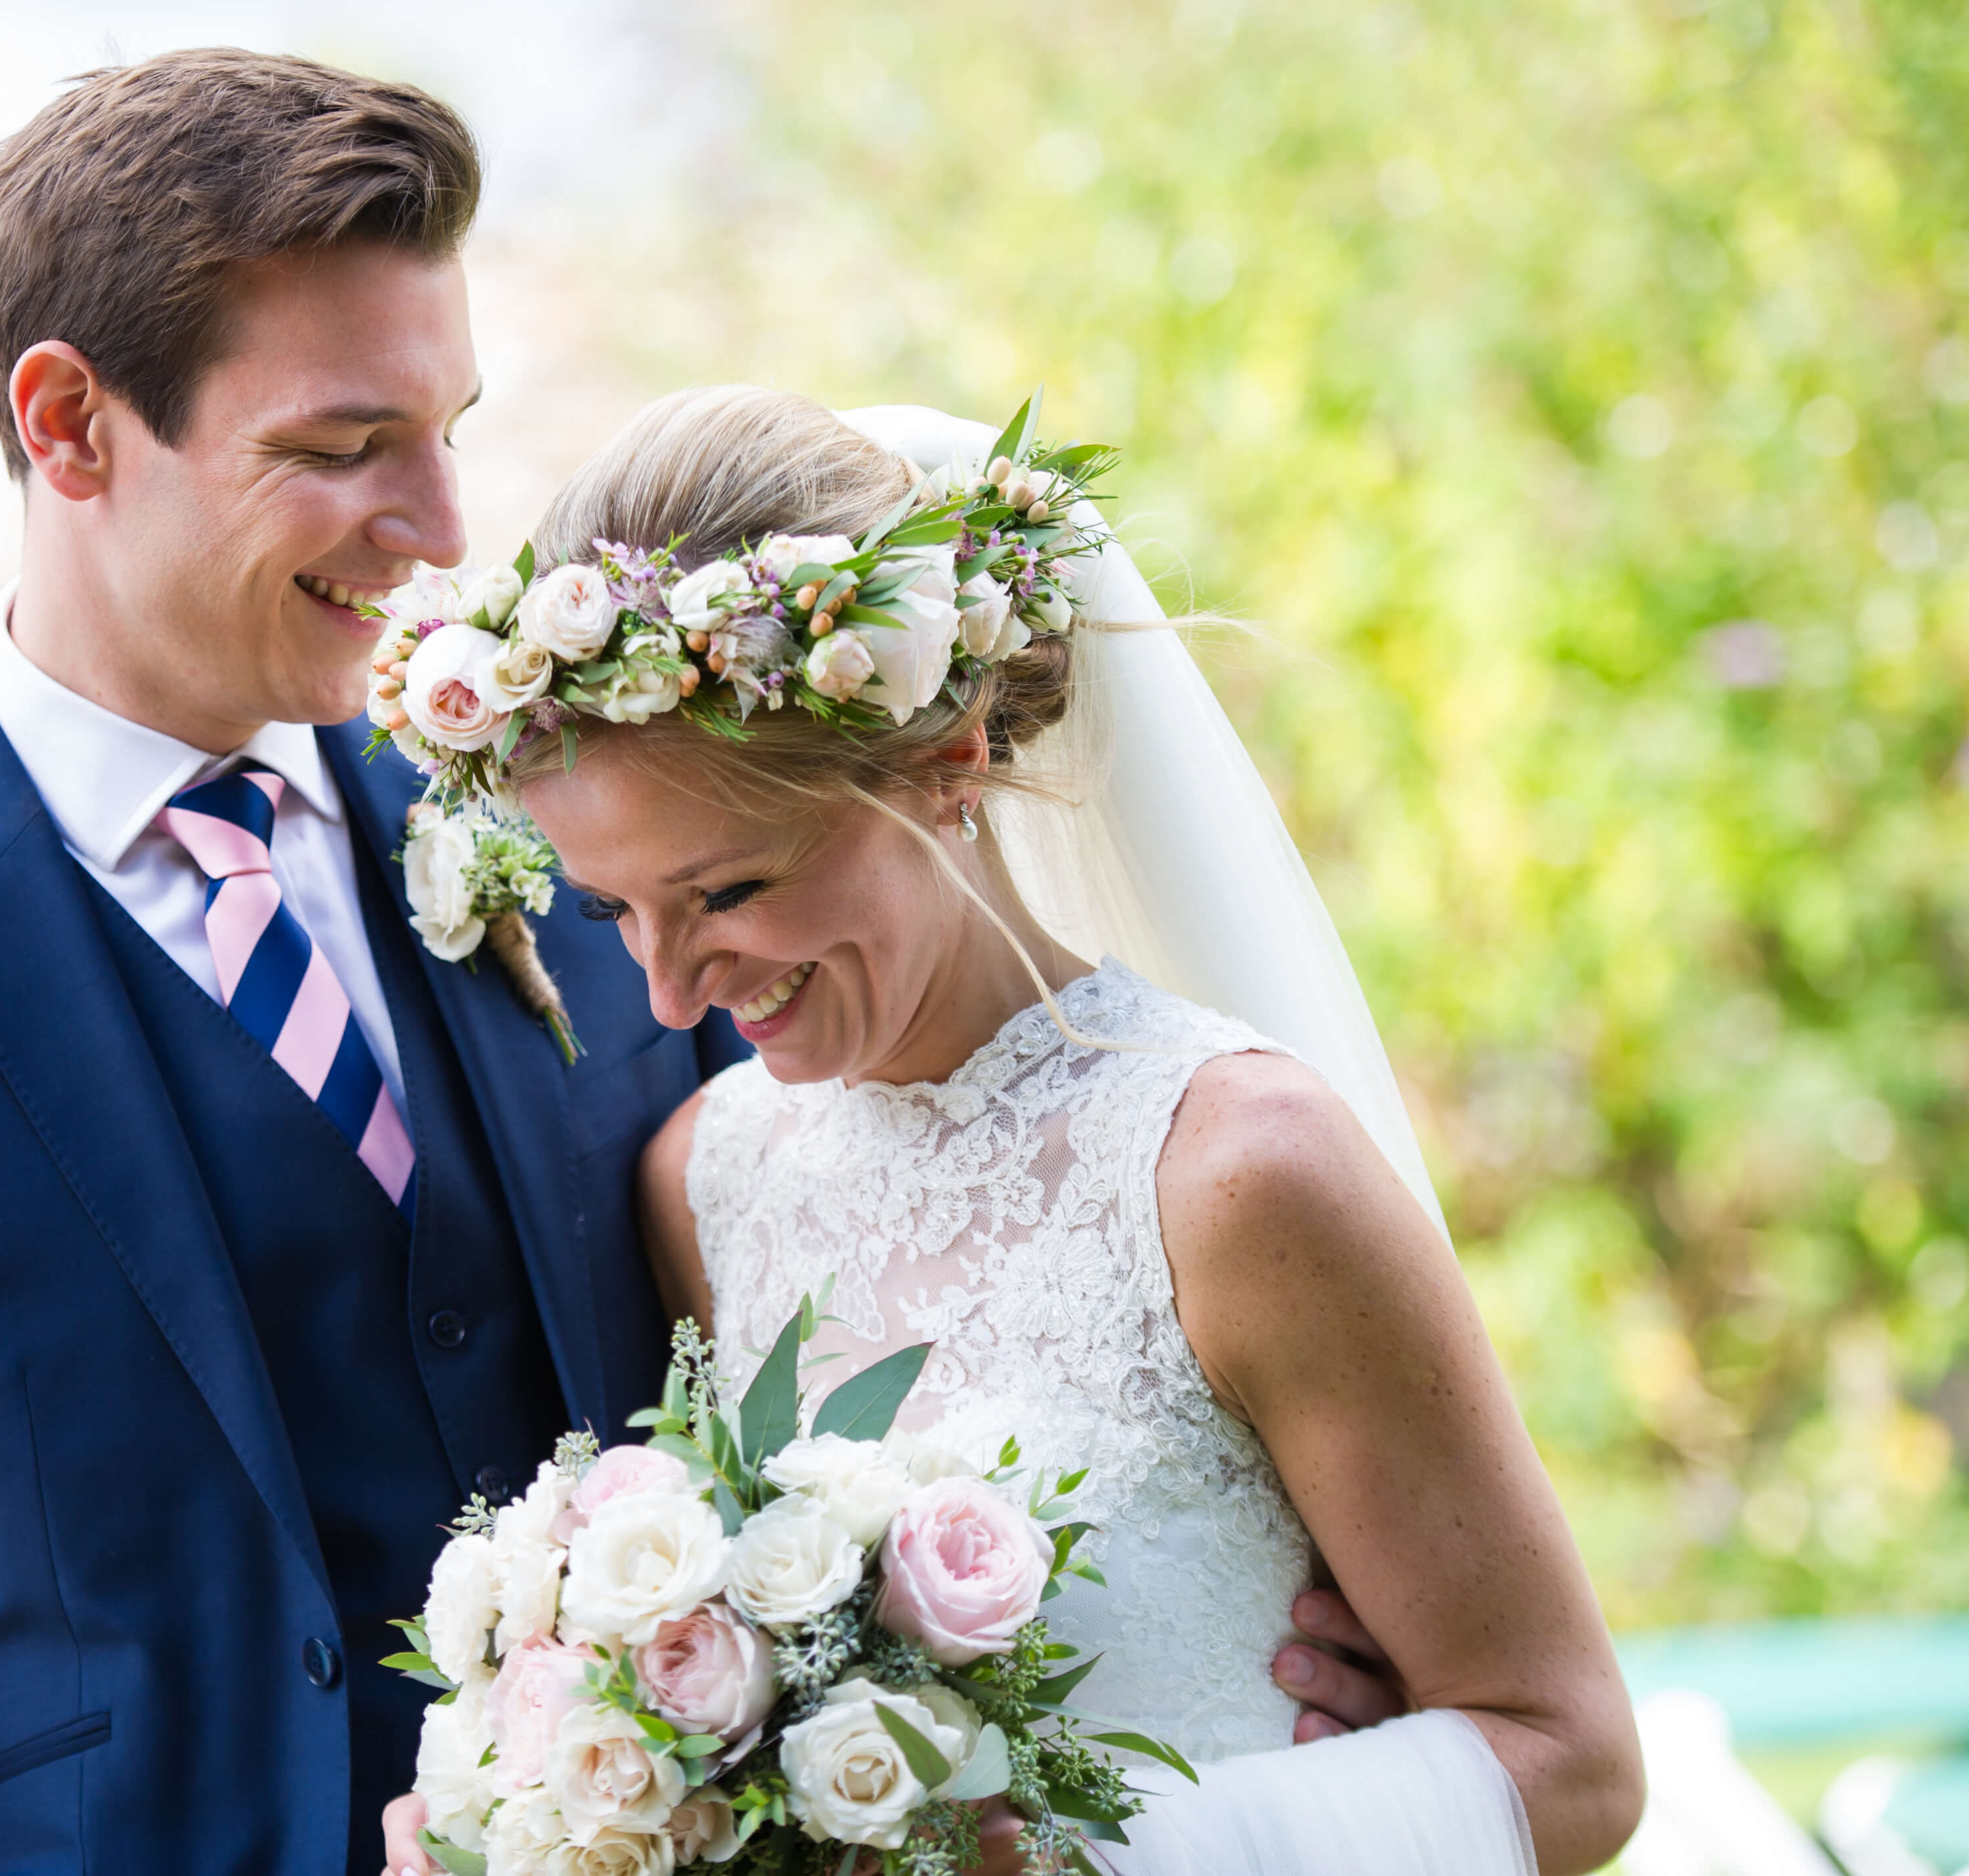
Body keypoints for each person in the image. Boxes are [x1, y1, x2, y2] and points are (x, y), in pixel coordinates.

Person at [0, 52, 753, 1875]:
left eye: (449, 430)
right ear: (68, 425)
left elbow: (846, 1271)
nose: (442, 528)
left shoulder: (584, 844)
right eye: (343, 450)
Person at [383, 386, 1644, 1875]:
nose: (667, 994)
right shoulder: (703, 1178)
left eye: (725, 893)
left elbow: (1569, 1767)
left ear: (946, 762)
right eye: (611, 912)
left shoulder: (1236, 1174)